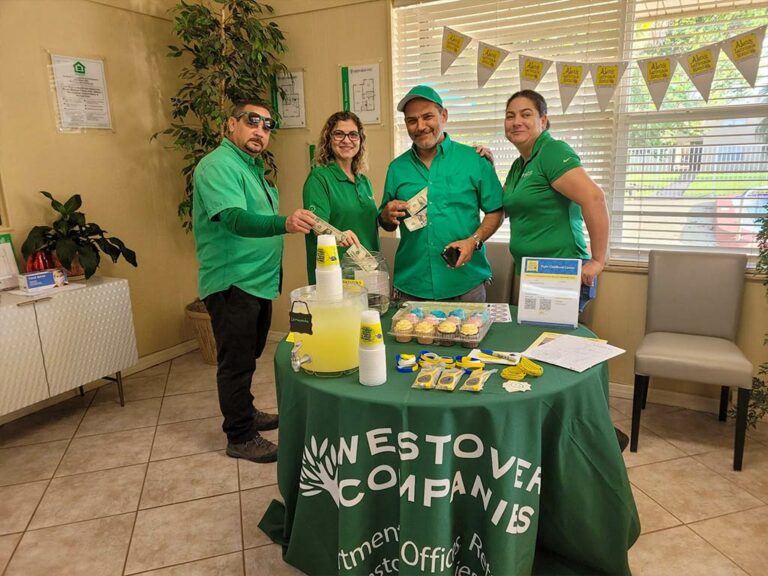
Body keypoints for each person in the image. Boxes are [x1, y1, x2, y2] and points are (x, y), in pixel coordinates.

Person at [193, 99, 316, 463]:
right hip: (233, 282)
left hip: (257, 281)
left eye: (267, 125)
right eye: (252, 121)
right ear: (231, 125)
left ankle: (246, 413)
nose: (260, 130)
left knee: (248, 355)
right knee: (235, 362)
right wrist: (284, 223)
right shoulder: (217, 165)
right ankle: (240, 436)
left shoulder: (252, 169)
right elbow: (233, 219)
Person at [378, 85, 504, 302]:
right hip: (412, 285)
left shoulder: (474, 160)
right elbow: (387, 223)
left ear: (443, 115)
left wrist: (473, 241)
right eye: (412, 120)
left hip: (466, 284)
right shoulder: (397, 168)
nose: (420, 126)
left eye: (428, 117)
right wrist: (386, 216)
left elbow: (496, 211)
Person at [502, 89, 609, 310]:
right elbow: (503, 205)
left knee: (551, 342)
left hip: (560, 272)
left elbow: (595, 198)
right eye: (510, 116)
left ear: (543, 120)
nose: (516, 122)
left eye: (525, 114)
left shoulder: (551, 151)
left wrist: (598, 261)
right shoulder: (519, 164)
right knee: (533, 341)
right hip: (533, 273)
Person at [303, 111, 379, 283]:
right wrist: (340, 235)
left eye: (353, 135)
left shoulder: (363, 181)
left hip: (368, 272)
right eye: (339, 134)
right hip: (335, 277)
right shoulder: (319, 178)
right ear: (329, 140)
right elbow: (316, 226)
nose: (346, 140)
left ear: (360, 140)